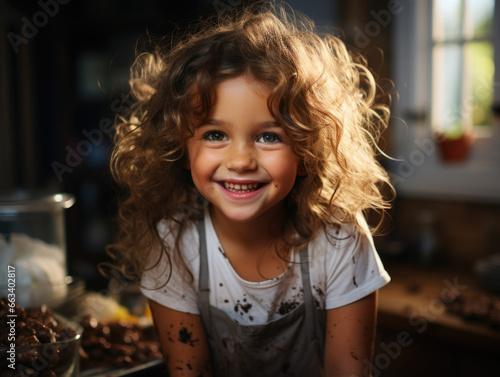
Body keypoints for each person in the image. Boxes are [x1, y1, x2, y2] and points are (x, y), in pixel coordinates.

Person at [107, 3, 394, 376]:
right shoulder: (174, 242)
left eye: (268, 136)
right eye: (215, 134)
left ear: (308, 149)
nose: (240, 160)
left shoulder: (340, 237)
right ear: (179, 146)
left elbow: (347, 371)